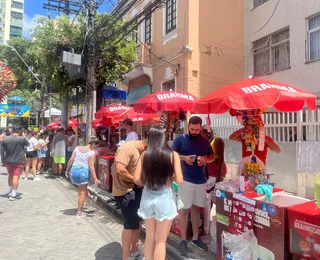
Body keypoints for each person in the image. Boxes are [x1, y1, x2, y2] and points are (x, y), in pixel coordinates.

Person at [133, 126, 183, 260]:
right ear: (163, 137)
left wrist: (146, 183)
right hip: (165, 197)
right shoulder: (173, 155)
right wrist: (169, 178)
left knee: (149, 238)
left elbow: (136, 179)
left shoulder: (145, 155)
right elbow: (179, 180)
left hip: (148, 195)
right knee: (161, 241)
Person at [171, 116, 215, 256]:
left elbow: (212, 156)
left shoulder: (204, 141)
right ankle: (183, 240)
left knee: (196, 209)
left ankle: (195, 237)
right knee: (184, 210)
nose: (195, 131)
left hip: (201, 181)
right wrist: (184, 158)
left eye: (197, 129)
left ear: (201, 127)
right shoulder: (180, 139)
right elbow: (171, 155)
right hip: (185, 180)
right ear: (188, 126)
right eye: (192, 129)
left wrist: (205, 160)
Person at [112, 139, 148, 260]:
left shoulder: (138, 150)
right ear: (146, 146)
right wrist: (135, 179)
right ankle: (126, 256)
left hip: (135, 190)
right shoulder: (128, 149)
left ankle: (134, 250)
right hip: (126, 192)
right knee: (129, 225)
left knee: (137, 221)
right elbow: (120, 169)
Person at [65, 137, 100, 218]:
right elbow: (91, 166)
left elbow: (71, 159)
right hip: (83, 172)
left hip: (73, 171)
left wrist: (67, 170)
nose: (96, 148)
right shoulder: (91, 153)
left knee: (81, 188)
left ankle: (90, 196)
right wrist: (95, 178)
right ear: (93, 144)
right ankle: (79, 212)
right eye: (96, 146)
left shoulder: (77, 148)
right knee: (82, 192)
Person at [1, 128, 29, 200]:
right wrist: (23, 135)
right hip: (18, 160)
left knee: (10, 175)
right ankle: (13, 193)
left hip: (8, 160)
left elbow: (2, 150)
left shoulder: (6, 139)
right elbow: (28, 144)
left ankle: (10, 190)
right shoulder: (21, 139)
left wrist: (3, 159)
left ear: (12, 131)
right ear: (19, 131)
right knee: (16, 176)